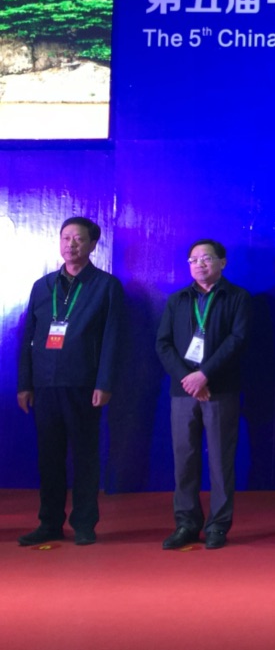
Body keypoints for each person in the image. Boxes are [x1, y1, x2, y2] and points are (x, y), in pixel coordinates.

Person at [16, 216, 125, 547]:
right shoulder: (43, 286)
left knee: (84, 456)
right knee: (48, 457)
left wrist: (104, 383)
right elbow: (28, 338)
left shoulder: (105, 285)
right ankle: (49, 522)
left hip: (83, 384)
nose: (71, 244)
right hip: (45, 384)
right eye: (65, 238)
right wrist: (25, 384)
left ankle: (84, 523)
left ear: (92, 244)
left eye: (78, 239)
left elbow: (113, 339)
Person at [154, 239, 250, 550]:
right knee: (184, 459)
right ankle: (186, 523)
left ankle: (218, 526)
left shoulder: (237, 297)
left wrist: (205, 374)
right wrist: (188, 379)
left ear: (222, 262)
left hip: (220, 389)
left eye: (206, 258)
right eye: (193, 260)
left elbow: (237, 340)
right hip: (183, 391)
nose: (199, 264)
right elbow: (163, 344)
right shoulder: (178, 299)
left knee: (221, 460)